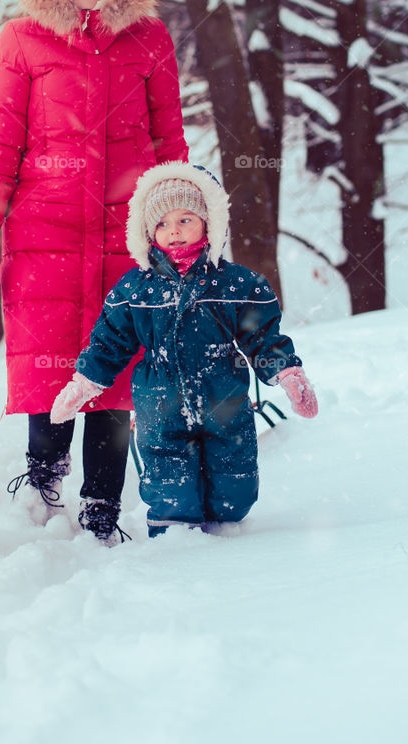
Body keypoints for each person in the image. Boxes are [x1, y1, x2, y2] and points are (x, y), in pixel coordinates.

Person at [0, 0, 188, 545]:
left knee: (115, 376)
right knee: (50, 364)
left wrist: (182, 230)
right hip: (42, 235)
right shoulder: (22, 40)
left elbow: (170, 143)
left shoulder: (148, 39)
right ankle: (41, 481)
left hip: (127, 237)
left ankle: (102, 505)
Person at [51, 163, 318, 536]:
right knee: (168, 483)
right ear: (148, 232)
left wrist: (287, 373)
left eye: (185, 219)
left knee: (235, 487)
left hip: (225, 398)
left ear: (209, 223)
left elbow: (264, 338)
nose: (174, 231)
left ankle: (228, 533)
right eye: (162, 223)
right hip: (160, 403)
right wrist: (85, 382)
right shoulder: (135, 289)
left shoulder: (238, 284)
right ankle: (175, 538)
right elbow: (109, 342)